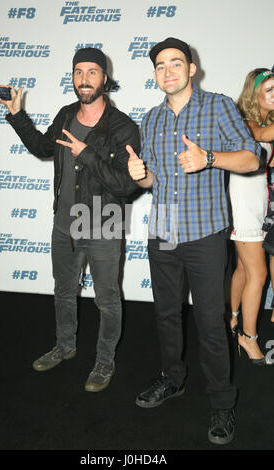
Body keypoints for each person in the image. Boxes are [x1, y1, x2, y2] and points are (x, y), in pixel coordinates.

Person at [126, 37, 261, 445]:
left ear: (192, 68)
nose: (168, 71)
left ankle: (221, 402)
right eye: (161, 65)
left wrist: (209, 158)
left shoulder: (217, 106)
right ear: (154, 74)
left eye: (176, 63)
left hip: (205, 234)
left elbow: (253, 157)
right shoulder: (149, 118)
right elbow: (152, 180)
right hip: (163, 234)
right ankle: (173, 379)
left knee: (209, 323)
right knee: (166, 315)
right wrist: (139, 174)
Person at [0, 47, 140, 392]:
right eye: (79, 72)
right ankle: (65, 346)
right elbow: (42, 148)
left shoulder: (122, 127)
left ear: (105, 78)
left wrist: (87, 154)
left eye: (92, 72)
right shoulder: (65, 115)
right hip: (64, 222)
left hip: (104, 222)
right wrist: (18, 115)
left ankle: (104, 362)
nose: (84, 79)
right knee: (63, 291)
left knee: (107, 300)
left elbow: (126, 186)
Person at [229, 68, 274, 363]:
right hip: (244, 202)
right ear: (254, 93)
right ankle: (248, 337)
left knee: (245, 270)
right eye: (270, 89)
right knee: (259, 273)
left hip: (261, 203)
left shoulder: (266, 123)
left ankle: (232, 319)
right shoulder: (243, 123)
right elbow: (258, 136)